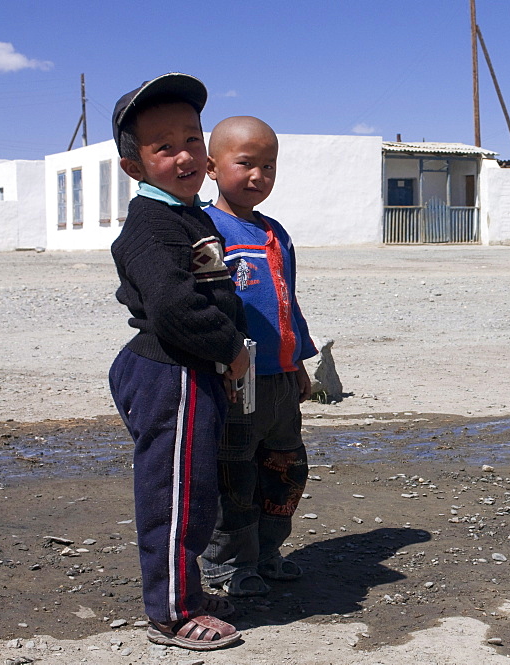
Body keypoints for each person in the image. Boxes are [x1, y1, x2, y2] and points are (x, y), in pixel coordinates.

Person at [108, 73, 247, 651]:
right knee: (173, 496)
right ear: (135, 166)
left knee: (195, 491)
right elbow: (171, 306)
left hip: (187, 372)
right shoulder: (153, 224)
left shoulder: (189, 213)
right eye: (164, 146)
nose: (185, 153)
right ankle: (169, 612)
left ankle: (181, 588)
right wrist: (230, 348)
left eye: (193, 139)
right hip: (171, 373)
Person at [200, 116, 317, 597]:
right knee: (234, 474)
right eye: (245, 163)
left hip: (281, 381)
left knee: (285, 470)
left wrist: (300, 363)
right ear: (211, 166)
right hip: (236, 381)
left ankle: (268, 552)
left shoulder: (276, 233)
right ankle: (228, 566)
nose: (257, 176)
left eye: (268, 167)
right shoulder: (206, 230)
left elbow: (288, 301)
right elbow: (203, 311)